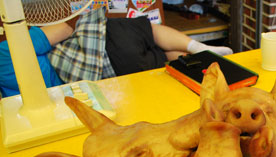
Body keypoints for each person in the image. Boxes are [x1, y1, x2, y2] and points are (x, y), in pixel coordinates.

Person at [0, 7, 233, 97]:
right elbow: (62, 30)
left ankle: (205, 57)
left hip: (110, 76)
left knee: (162, 57)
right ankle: (202, 48)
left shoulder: (9, 102)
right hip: (104, 44)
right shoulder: (7, 48)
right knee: (150, 32)